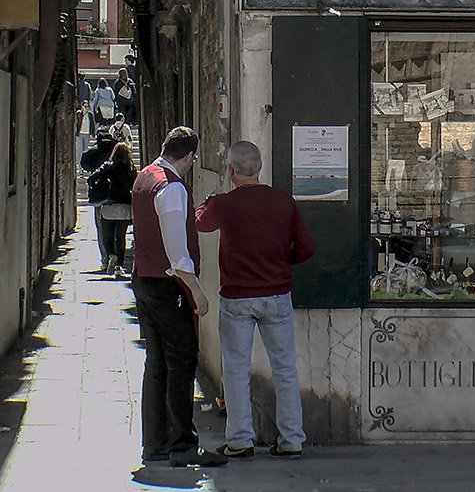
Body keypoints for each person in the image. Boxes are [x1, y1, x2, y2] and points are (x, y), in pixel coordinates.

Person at [195, 140, 315, 459]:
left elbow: (199, 221)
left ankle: (240, 439)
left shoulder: (225, 203)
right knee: (285, 368)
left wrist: (209, 200)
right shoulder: (283, 201)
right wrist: (279, 262)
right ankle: (291, 439)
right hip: (277, 295)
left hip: (237, 298)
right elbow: (306, 248)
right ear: (259, 168)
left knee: (235, 369)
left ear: (231, 170)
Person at [130, 126, 227, 467]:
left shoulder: (144, 177)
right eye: (192, 159)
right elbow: (177, 252)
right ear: (188, 157)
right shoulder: (172, 189)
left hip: (143, 278)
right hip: (167, 285)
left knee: (156, 363)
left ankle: (155, 442)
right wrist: (197, 291)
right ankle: (183, 443)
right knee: (182, 361)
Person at [88, 142, 135, 276]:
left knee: (107, 237)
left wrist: (97, 189)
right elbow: (134, 185)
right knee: (120, 238)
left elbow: (93, 177)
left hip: (109, 206)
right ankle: (119, 266)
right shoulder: (131, 168)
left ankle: (110, 256)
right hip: (125, 208)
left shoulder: (108, 166)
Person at [76, 100, 94, 170]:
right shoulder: (79, 114)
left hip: (87, 134)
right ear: (82, 107)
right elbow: (76, 123)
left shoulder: (90, 115)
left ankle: (84, 167)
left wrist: (93, 133)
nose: (87, 108)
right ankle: (80, 168)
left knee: (85, 150)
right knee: (80, 150)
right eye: (85, 106)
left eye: (88, 107)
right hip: (80, 134)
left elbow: (92, 124)